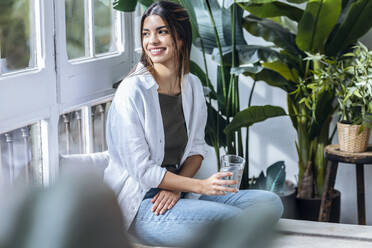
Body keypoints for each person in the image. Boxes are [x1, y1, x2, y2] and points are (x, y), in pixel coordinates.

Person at [104, 1, 283, 246]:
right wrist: (200, 185)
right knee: (233, 222)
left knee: (270, 203)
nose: (152, 41)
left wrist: (178, 189)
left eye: (162, 31)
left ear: (180, 37)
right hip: (144, 204)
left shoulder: (192, 86)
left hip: (180, 194)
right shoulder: (132, 91)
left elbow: (197, 149)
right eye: (146, 33)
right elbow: (143, 171)